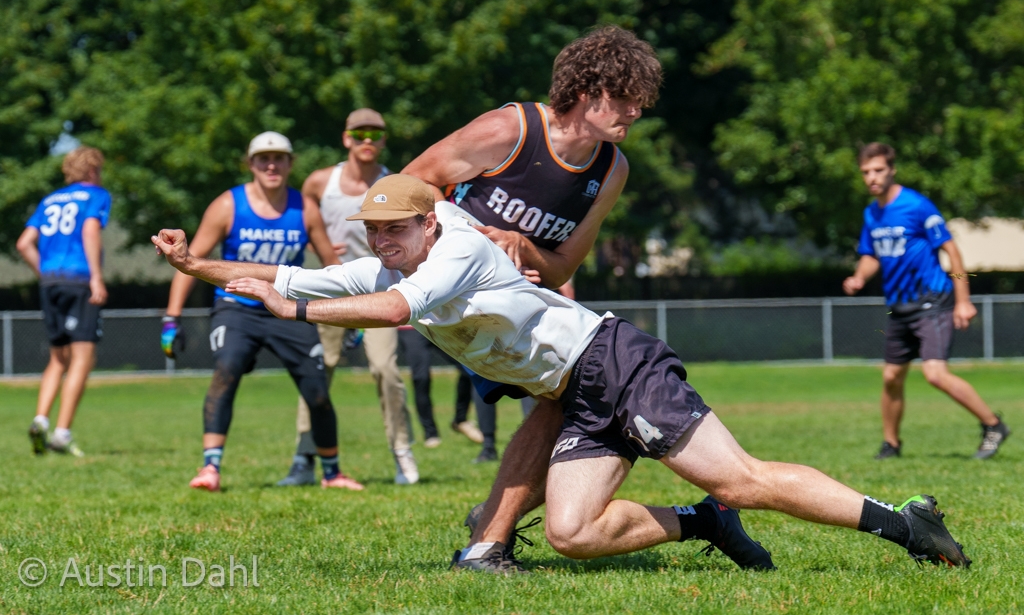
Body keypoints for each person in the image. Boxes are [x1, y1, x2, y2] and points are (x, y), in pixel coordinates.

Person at [152, 174, 973, 574]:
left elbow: (391, 310)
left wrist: (292, 312)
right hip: (571, 392)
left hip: (616, 363)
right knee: (574, 533)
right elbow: (287, 280)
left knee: (745, 476)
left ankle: (906, 521)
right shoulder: (395, 259)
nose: (382, 245)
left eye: (394, 232)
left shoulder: (456, 250)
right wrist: (198, 261)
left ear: (426, 222)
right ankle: (702, 523)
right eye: (374, 236)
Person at [400, 25, 655, 554]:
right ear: (588, 93)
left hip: (519, 301)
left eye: (641, 100)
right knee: (583, 389)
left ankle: (494, 522)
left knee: (579, 394)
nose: (636, 110)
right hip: (461, 296)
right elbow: (407, 188)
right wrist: (468, 241)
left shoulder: (611, 169)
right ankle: (491, 537)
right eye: (626, 98)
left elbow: (561, 266)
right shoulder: (511, 129)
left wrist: (521, 244)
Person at [159, 131, 362, 492]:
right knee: (227, 369)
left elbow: (333, 266)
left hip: (287, 308)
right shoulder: (228, 205)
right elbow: (188, 263)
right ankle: (210, 468)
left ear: (290, 163)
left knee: (317, 388)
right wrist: (171, 319)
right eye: (263, 159)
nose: (271, 165)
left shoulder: (305, 208)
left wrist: (351, 315)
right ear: (250, 164)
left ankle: (332, 473)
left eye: (279, 158)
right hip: (238, 308)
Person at [275, 109, 419, 488]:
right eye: (359, 134)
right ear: (346, 139)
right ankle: (304, 458)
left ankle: (401, 453)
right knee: (317, 372)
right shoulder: (321, 181)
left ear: (384, 140)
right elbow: (299, 219)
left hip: (382, 290)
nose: (367, 140)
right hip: (331, 285)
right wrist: (316, 241)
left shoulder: (397, 183)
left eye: (375, 134)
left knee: (385, 369)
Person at [843, 142, 1010, 460]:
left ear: (892, 170)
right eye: (866, 172)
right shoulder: (871, 213)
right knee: (891, 376)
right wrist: (859, 277)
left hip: (932, 301)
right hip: (899, 306)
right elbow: (871, 256)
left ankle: (993, 424)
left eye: (878, 170)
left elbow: (952, 251)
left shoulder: (917, 205)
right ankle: (891, 444)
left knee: (935, 373)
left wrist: (963, 300)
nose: (872, 177)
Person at [17, 146, 110, 457]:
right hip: (79, 281)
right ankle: (62, 433)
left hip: (51, 282)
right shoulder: (96, 195)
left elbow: (24, 243)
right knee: (83, 357)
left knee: (58, 358)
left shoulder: (50, 200)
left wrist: (45, 273)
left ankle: (41, 420)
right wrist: (96, 276)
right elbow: (89, 230)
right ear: (93, 170)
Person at [399, 329, 483, 448]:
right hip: (410, 326)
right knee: (421, 378)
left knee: (468, 368)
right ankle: (431, 433)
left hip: (437, 323)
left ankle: (460, 420)